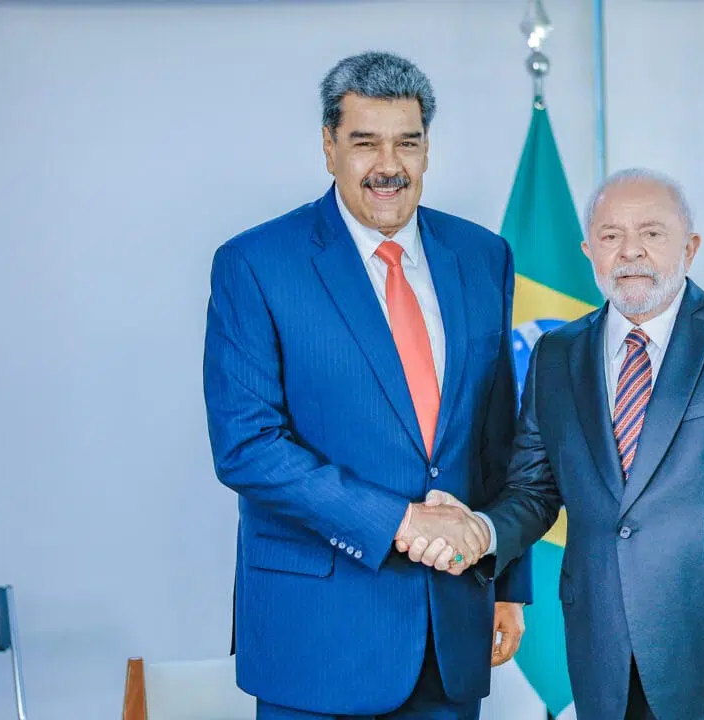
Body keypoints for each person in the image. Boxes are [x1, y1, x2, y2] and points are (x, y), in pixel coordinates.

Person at [417, 168, 704, 719]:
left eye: (652, 233)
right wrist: (483, 530)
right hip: (607, 655)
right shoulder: (556, 355)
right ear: (589, 251)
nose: (630, 250)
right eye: (611, 235)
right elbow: (533, 492)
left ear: (690, 247)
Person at [202, 51, 530, 720]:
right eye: (364, 142)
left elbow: (497, 434)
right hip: (317, 636)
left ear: (427, 148)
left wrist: (504, 580)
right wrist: (401, 521)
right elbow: (247, 447)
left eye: (407, 142)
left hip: (451, 625)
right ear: (329, 147)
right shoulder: (256, 263)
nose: (389, 165)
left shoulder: (482, 256)